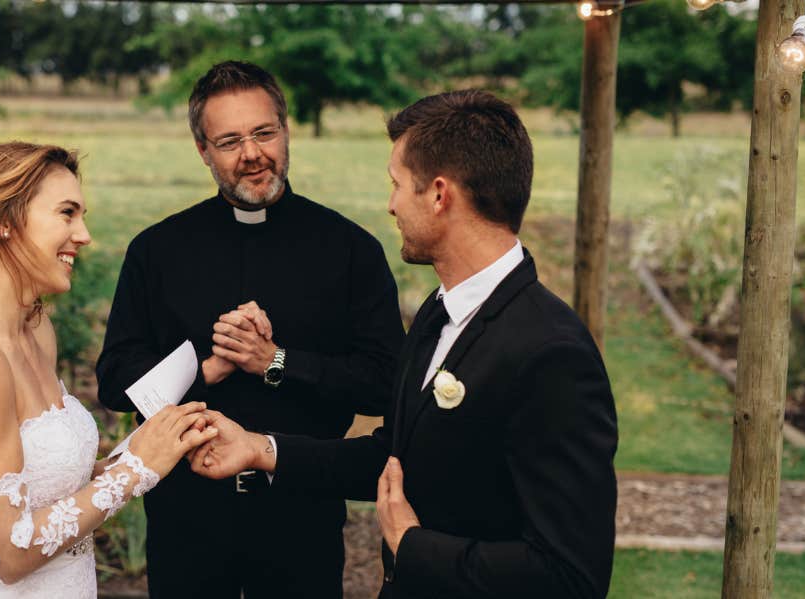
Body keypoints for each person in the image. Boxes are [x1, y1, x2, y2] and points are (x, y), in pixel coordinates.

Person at [189, 90, 619, 599]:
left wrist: (413, 548)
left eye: (396, 185)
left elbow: (571, 576)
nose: (390, 204)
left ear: (439, 195)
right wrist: (260, 449)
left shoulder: (551, 353)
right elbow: (395, 457)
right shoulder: (440, 313)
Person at [96, 61, 404, 598]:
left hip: (302, 511)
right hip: (184, 518)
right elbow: (115, 382)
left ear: (286, 130)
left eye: (264, 133)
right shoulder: (157, 250)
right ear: (203, 150)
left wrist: (276, 362)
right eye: (229, 141)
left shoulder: (350, 249)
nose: (252, 154)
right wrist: (206, 366)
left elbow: (385, 383)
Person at [0, 141, 218, 598]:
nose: (84, 234)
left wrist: (157, 442)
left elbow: (48, 489)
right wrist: (135, 471)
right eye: (67, 214)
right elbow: (9, 554)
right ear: (4, 222)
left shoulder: (36, 329)